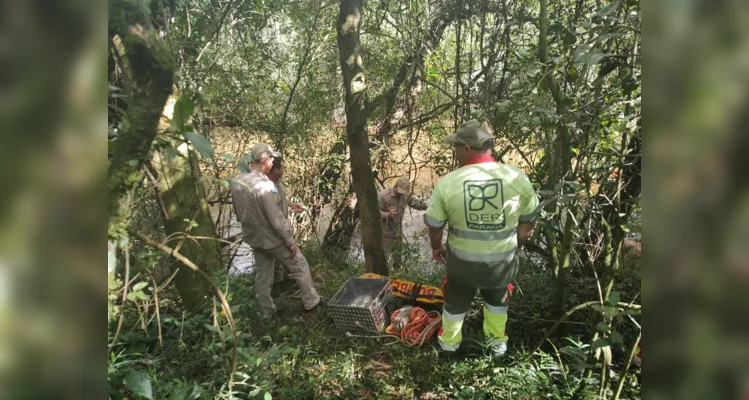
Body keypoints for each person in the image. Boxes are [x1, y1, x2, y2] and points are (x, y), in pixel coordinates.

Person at [423, 120, 539, 357]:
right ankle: (496, 348)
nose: (454, 151)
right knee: (497, 306)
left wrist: (437, 248)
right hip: (501, 265)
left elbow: (435, 225)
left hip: (461, 265)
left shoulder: (449, 182)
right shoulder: (516, 177)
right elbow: (528, 221)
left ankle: (448, 348)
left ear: (466, 148)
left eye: (455, 146)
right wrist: (517, 244)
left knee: (454, 307)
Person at [230, 143, 322, 317]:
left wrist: (288, 204)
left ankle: (266, 311)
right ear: (265, 161)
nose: (273, 162)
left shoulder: (238, 180)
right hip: (272, 238)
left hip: (254, 237)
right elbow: (276, 219)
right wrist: (290, 242)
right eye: (271, 159)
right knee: (299, 264)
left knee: (263, 273)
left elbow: (239, 211)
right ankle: (312, 301)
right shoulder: (264, 186)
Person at [265, 156, 304, 284]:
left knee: (287, 253)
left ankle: (286, 278)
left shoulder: (278, 182)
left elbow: (281, 199)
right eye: (281, 168)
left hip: (282, 224)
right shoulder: (265, 187)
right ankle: (275, 282)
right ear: (275, 169)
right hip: (273, 227)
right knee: (277, 255)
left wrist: (292, 204)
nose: (284, 170)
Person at [378, 176, 428, 269]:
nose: (401, 195)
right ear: (395, 186)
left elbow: (418, 205)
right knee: (384, 262)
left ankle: (397, 277)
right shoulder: (383, 196)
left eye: (403, 193)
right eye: (399, 192)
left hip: (397, 233)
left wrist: (431, 205)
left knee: (398, 261)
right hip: (384, 234)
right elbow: (374, 212)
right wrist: (387, 214)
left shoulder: (405, 196)